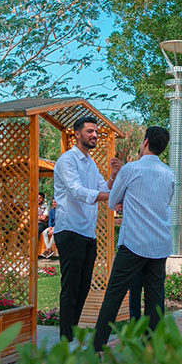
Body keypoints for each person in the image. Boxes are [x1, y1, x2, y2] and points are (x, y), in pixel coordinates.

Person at [93, 127, 175, 352]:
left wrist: (125, 202)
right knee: (155, 299)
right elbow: (165, 201)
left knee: (114, 295)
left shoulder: (131, 169)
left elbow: (112, 202)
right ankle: (152, 348)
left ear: (145, 142)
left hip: (134, 243)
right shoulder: (168, 173)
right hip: (159, 243)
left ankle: (97, 347)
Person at [52, 116, 122, 343]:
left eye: (96, 132)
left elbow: (103, 187)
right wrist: (112, 197)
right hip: (70, 230)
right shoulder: (67, 160)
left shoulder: (90, 163)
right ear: (77, 134)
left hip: (87, 233)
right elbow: (77, 191)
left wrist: (113, 176)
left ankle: (71, 332)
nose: (94, 135)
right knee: (70, 287)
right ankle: (65, 338)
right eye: (90, 131)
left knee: (83, 287)